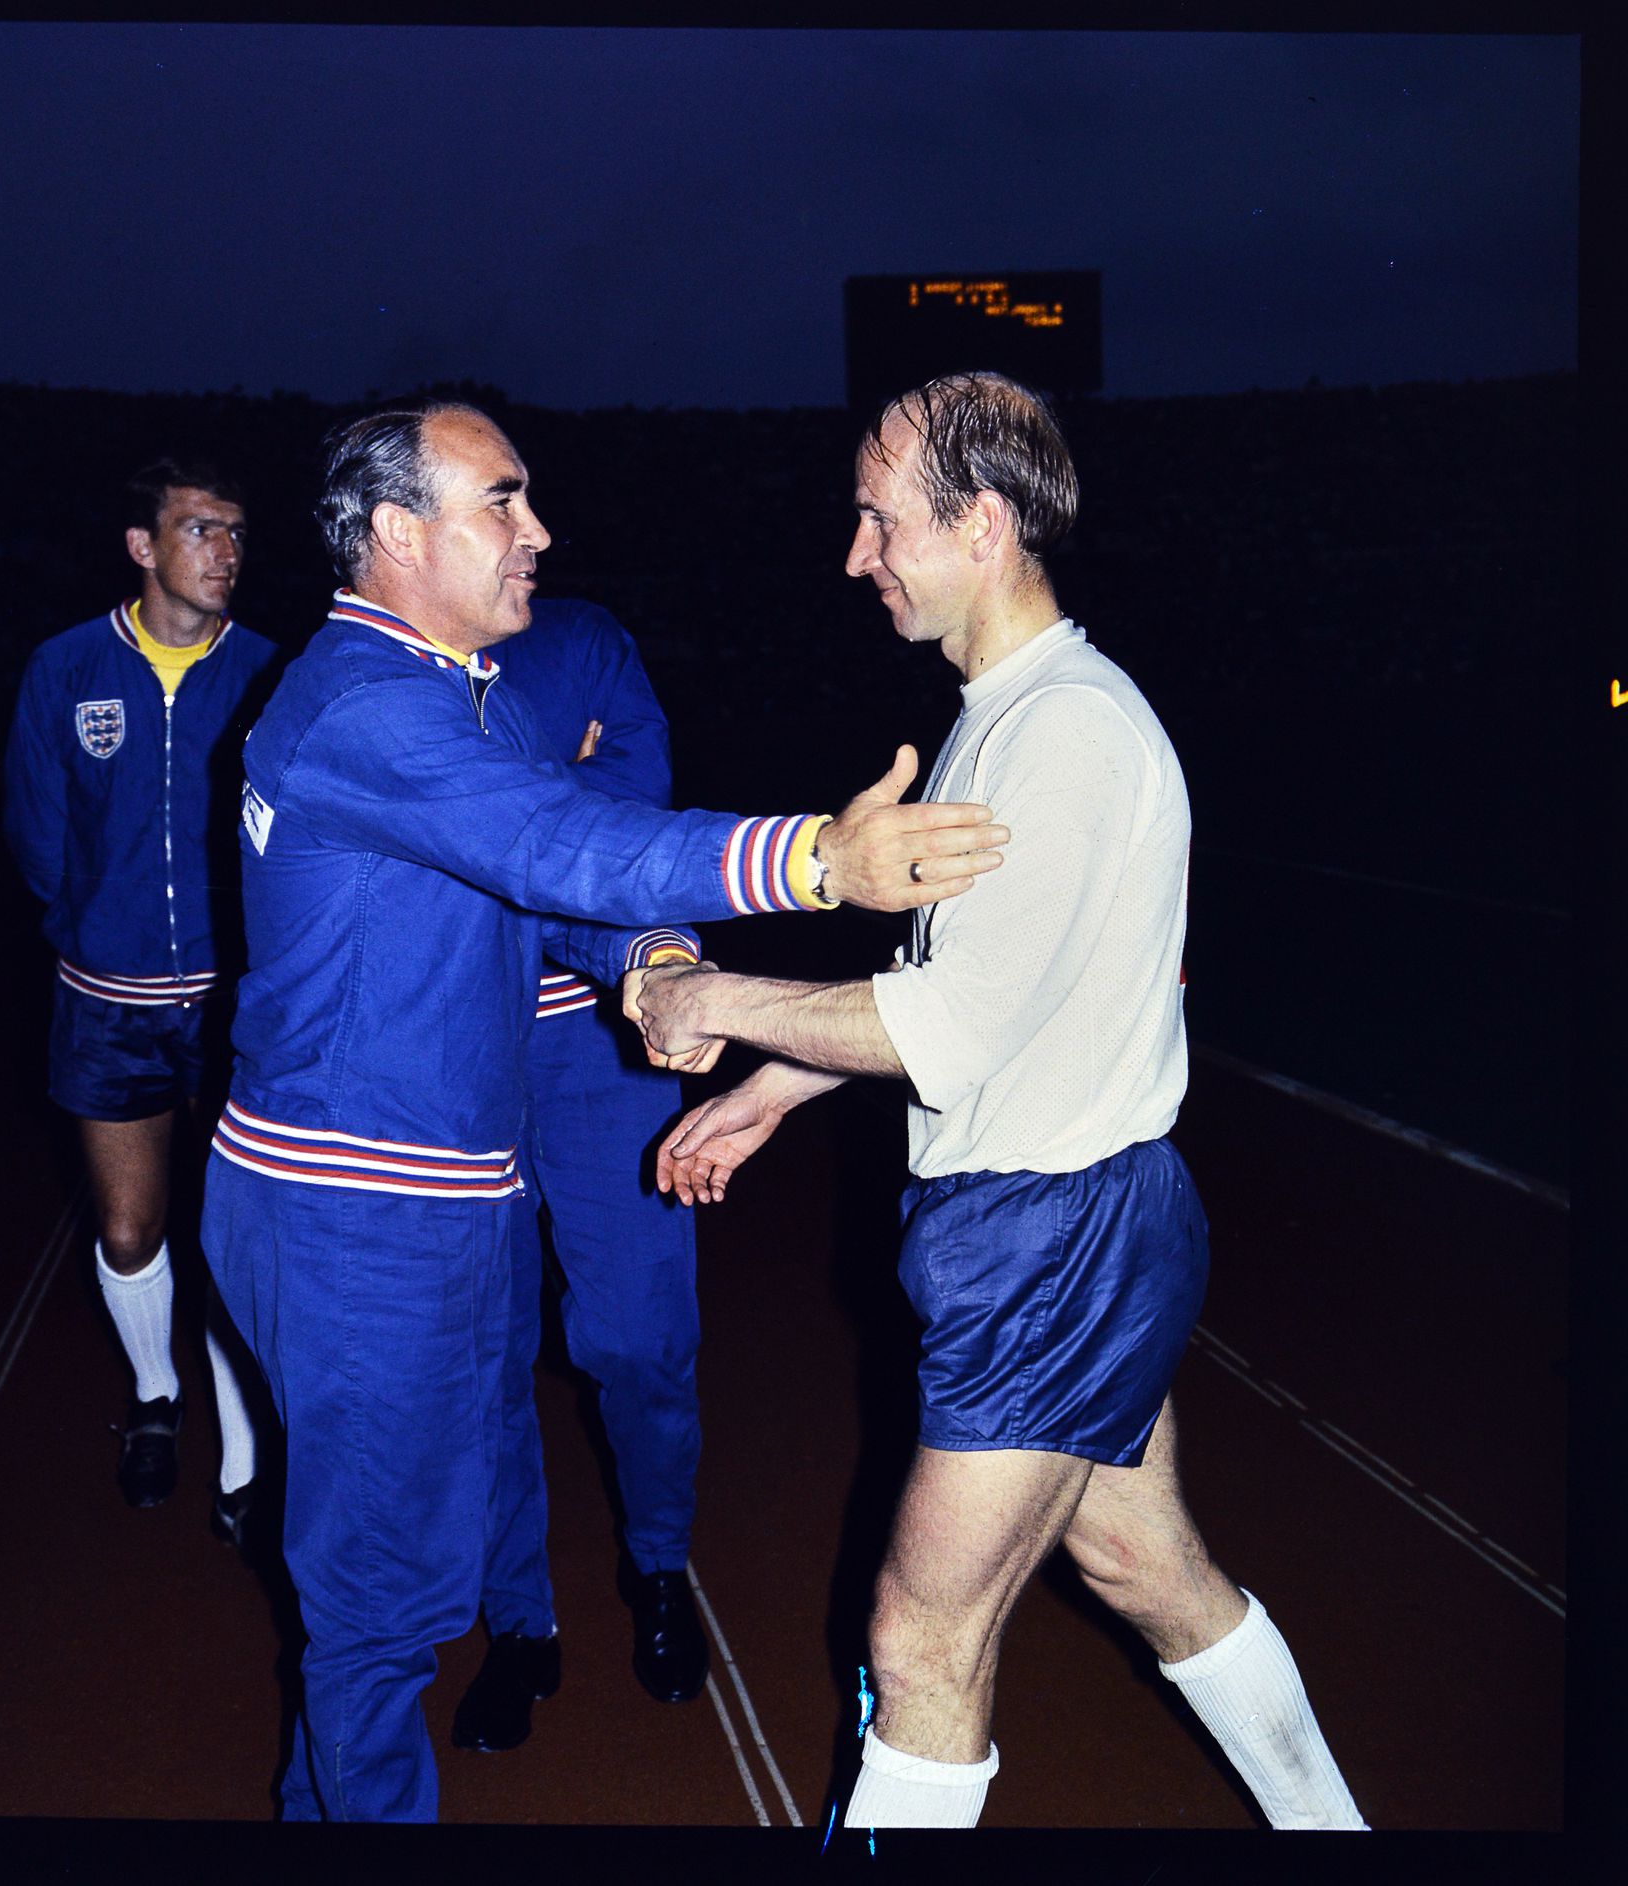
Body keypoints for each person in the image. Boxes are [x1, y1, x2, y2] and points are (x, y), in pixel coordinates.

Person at [198, 399, 1009, 1823]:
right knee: (381, 1615)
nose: (540, 530)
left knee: (400, 1588)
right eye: (501, 502)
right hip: (356, 1213)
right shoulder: (368, 703)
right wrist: (818, 861)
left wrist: (655, 969)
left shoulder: (453, 695)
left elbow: (552, 886)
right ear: (397, 534)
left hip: (425, 1195)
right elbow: (558, 839)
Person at [634, 372, 1368, 1833]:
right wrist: (782, 1082)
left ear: (981, 523)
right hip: (1066, 1221)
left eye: (879, 520)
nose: (856, 554)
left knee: (921, 1639)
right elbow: (985, 983)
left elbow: (950, 1026)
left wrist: (713, 998)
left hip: (1053, 1238)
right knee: (1148, 1567)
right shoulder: (1009, 714)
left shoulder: (1065, 734)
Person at [449, 597, 709, 1759]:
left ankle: (659, 1565)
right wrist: (558, 786)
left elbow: (629, 824)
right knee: (482, 1349)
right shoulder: (393, 660)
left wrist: (504, 811)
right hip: (461, 1050)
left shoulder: (588, 642)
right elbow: (532, 834)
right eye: (500, 511)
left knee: (641, 1337)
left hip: (604, 1041)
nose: (527, 531)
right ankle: (519, 1616)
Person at [3, 458, 280, 1544]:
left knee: (230, 1236)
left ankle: (244, 1448)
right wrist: (95, 926)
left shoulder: (268, 671)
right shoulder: (67, 667)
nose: (226, 552)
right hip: (106, 1004)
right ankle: (156, 1394)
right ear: (142, 546)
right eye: (201, 529)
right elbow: (38, 832)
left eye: (236, 532)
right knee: (129, 1230)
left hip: (229, 1007)